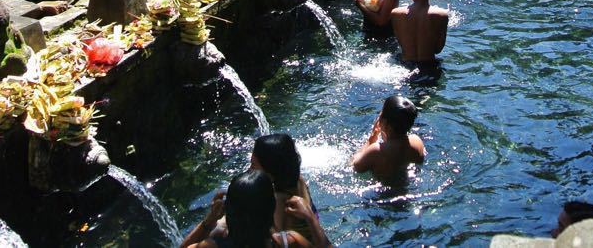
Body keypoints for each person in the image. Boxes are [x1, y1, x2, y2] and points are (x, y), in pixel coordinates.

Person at [181, 170, 326, 248]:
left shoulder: (210, 246)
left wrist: (209, 220)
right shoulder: (289, 241)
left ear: (229, 210)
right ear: (271, 208)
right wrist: (311, 218)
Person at [251, 134, 318, 241]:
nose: (250, 170)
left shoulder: (278, 200)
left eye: (253, 165)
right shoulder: (298, 180)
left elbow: (278, 240)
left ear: (270, 169)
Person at [351, 95, 426, 181]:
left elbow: (355, 165)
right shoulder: (417, 141)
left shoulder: (376, 150)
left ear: (383, 122)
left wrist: (372, 137)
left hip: (383, 193)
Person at [390, 0, 449, 65]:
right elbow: (438, 49)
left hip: (405, 65)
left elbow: (401, 44)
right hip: (429, 66)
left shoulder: (396, 14)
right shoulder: (442, 15)